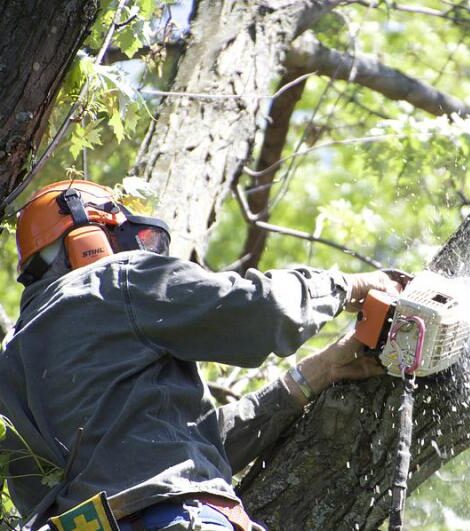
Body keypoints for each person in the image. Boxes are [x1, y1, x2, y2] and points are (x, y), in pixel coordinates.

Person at [0, 180, 400, 531]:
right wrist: (349, 286)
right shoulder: (113, 280)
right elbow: (259, 310)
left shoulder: (9, 367)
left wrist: (313, 374)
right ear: (86, 241)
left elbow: (182, 454)